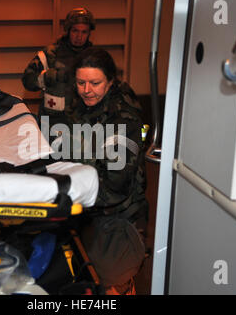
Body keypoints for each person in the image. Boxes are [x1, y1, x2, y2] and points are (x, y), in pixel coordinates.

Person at [67, 47, 148, 295]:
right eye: (81, 82)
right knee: (87, 276)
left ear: (111, 81)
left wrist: (67, 194)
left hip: (119, 219)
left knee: (113, 286)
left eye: (95, 83)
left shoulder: (123, 119)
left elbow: (116, 185)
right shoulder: (86, 104)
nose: (86, 90)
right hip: (91, 213)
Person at [22, 7, 95, 130]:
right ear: (68, 30)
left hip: (85, 122)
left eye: (84, 32)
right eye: (75, 31)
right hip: (53, 122)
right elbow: (27, 80)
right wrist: (46, 77)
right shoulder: (50, 54)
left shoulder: (95, 57)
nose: (79, 37)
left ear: (89, 33)